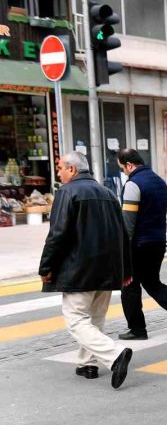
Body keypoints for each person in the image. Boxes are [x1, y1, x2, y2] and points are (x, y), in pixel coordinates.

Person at [39, 152, 134, 389]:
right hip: (108, 268)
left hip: (78, 268)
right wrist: (125, 270)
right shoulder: (108, 193)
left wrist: (46, 266)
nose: (58, 173)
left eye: (60, 168)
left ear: (72, 169)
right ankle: (88, 363)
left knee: (76, 320)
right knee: (95, 319)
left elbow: (58, 234)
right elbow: (123, 235)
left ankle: (114, 354)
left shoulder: (67, 192)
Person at [117, 148, 167, 340]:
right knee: (152, 282)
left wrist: (121, 248)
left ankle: (137, 329)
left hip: (138, 244)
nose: (124, 173)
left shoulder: (133, 184)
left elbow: (128, 222)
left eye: (123, 169)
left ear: (129, 165)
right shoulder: (159, 182)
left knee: (129, 286)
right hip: (158, 241)